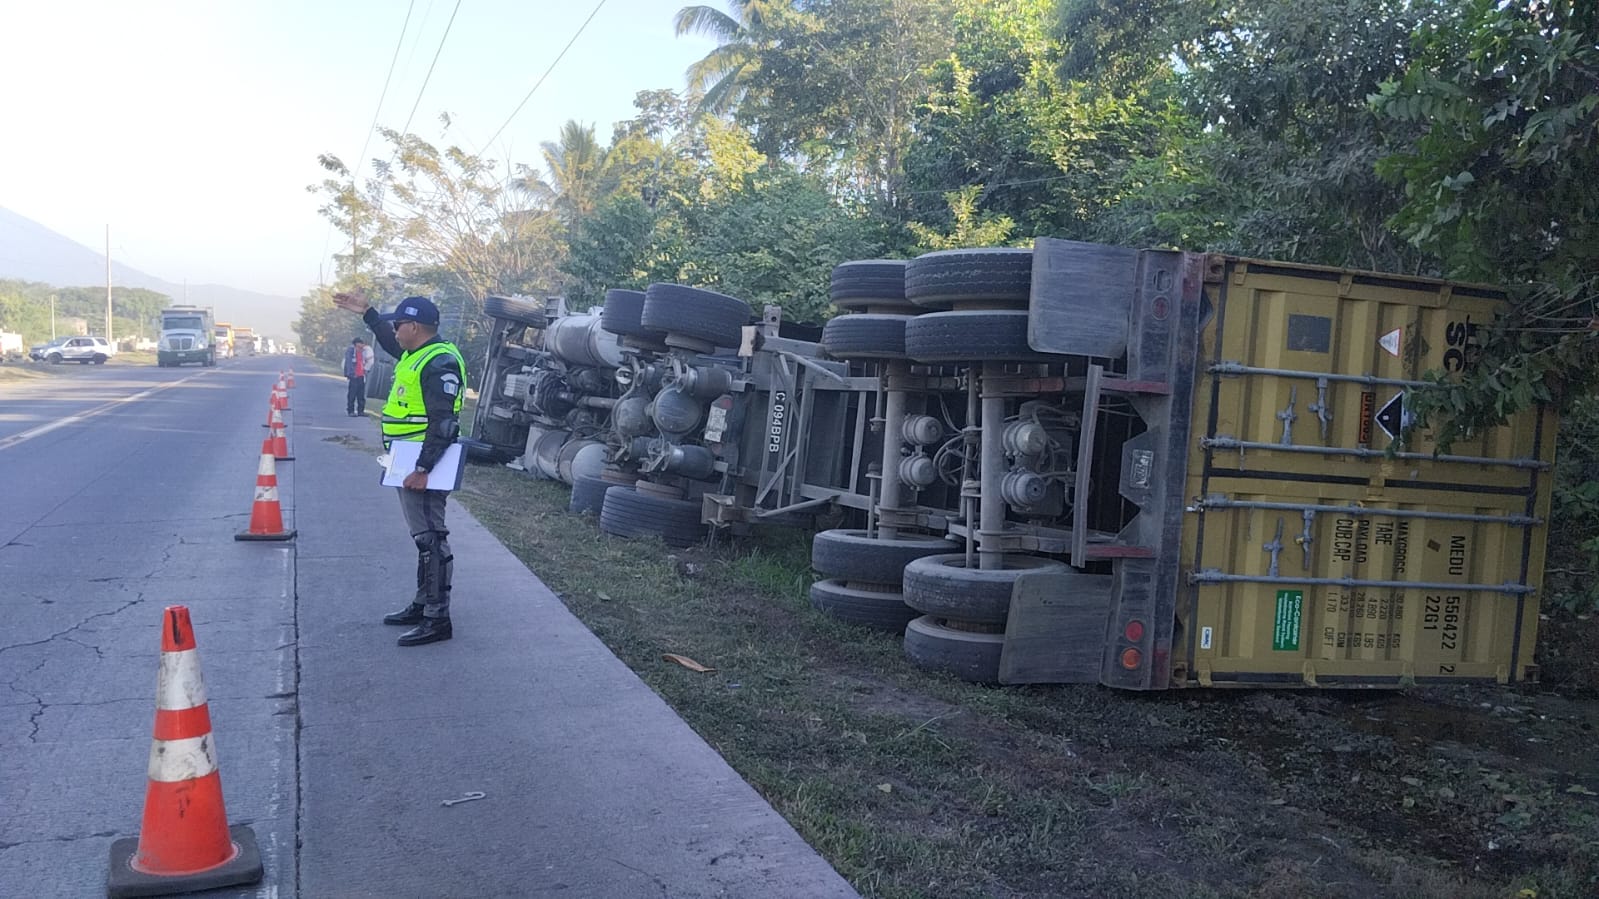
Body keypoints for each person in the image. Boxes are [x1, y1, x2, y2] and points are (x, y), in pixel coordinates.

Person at [333, 291, 468, 646]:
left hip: (423, 462)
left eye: (398, 324)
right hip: (407, 458)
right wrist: (369, 315)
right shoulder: (416, 354)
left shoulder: (439, 362)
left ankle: (438, 618)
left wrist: (424, 467)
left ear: (415, 326)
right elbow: (391, 347)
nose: (393, 330)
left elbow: (444, 421)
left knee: (431, 537)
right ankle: (424, 604)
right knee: (423, 537)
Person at [342, 337, 372, 416]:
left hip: (361, 375)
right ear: (356, 344)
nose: (362, 346)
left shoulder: (363, 351)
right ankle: (350, 410)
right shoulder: (351, 351)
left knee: (361, 394)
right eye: (360, 344)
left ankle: (360, 411)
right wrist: (350, 373)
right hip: (354, 375)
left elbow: (367, 360)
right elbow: (348, 362)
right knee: (352, 394)